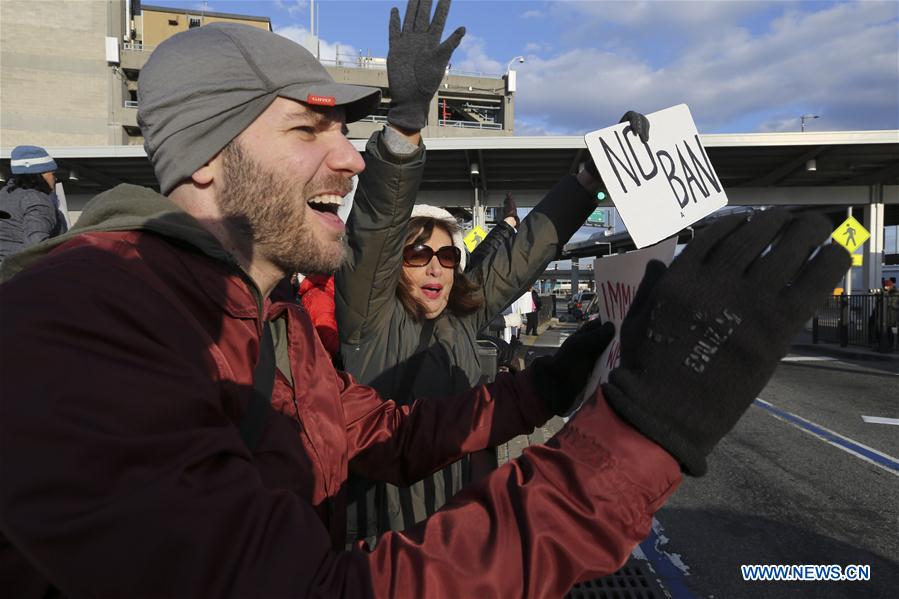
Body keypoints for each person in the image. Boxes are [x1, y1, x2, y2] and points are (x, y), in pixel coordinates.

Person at [0, 9, 849, 599]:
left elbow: (385, 432)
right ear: (202, 159)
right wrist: (644, 434)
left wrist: (561, 383)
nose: (348, 160)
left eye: (346, 132)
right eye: (309, 130)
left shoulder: (272, 314)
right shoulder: (83, 319)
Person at [336, 0, 651, 543]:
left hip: (461, 538)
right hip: (381, 546)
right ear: (393, 267)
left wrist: (586, 182)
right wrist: (405, 128)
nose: (436, 266)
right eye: (417, 254)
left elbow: (522, 253)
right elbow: (375, 230)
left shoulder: (462, 317)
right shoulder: (370, 321)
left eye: (448, 255)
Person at [0, 145, 65, 264]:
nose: (54, 179)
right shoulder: (38, 199)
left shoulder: (4, 195)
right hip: (18, 273)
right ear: (39, 174)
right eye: (52, 174)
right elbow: (36, 245)